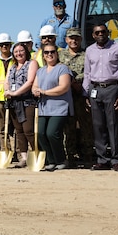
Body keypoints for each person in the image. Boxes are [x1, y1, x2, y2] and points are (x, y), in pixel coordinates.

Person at [83, 24, 118, 171]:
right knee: (98, 126)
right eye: (97, 32)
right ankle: (102, 160)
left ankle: (116, 160)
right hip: (95, 89)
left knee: (113, 125)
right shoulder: (89, 51)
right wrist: (85, 94)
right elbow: (87, 74)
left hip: (112, 89)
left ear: (108, 33)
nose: (100, 34)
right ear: (93, 35)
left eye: (103, 32)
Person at [32, 42, 73, 171]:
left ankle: (61, 159)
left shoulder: (62, 69)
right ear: (43, 56)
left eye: (52, 52)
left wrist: (44, 92)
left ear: (57, 54)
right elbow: (35, 85)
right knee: (40, 133)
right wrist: (35, 91)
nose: (49, 54)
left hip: (59, 107)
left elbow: (64, 87)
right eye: (46, 52)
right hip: (44, 107)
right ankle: (51, 160)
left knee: (52, 133)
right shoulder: (40, 71)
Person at [58, 28, 92, 167]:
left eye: (76, 38)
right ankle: (69, 156)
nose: (74, 41)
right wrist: (70, 82)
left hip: (82, 95)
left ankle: (88, 155)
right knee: (68, 127)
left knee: (86, 127)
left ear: (81, 39)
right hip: (66, 97)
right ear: (66, 39)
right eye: (71, 38)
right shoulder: (60, 55)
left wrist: (77, 81)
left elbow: (90, 73)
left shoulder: (87, 55)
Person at [4, 41, 38, 166]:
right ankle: (24, 157)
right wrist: (7, 91)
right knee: (19, 131)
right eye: (16, 51)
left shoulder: (32, 63)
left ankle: (37, 152)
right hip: (14, 102)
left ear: (26, 51)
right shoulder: (12, 66)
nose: (19, 53)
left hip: (27, 100)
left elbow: (30, 82)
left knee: (28, 129)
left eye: (21, 51)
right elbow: (6, 80)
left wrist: (15, 93)